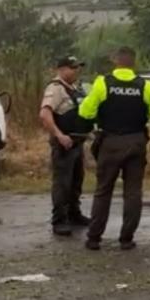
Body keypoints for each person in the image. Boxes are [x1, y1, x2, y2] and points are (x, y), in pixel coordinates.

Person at [78, 47, 150, 251]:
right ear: (133, 63)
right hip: (136, 141)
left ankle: (94, 238)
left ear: (115, 61)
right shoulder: (144, 85)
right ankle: (126, 239)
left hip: (110, 142)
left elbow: (85, 112)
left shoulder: (104, 83)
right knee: (133, 192)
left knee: (103, 191)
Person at [39, 55, 91, 236]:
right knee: (62, 183)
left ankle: (74, 214)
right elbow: (45, 114)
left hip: (77, 141)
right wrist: (59, 135)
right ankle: (59, 220)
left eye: (78, 67)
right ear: (61, 69)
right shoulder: (56, 89)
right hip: (64, 143)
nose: (77, 71)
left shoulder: (74, 88)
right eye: (73, 67)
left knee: (76, 180)